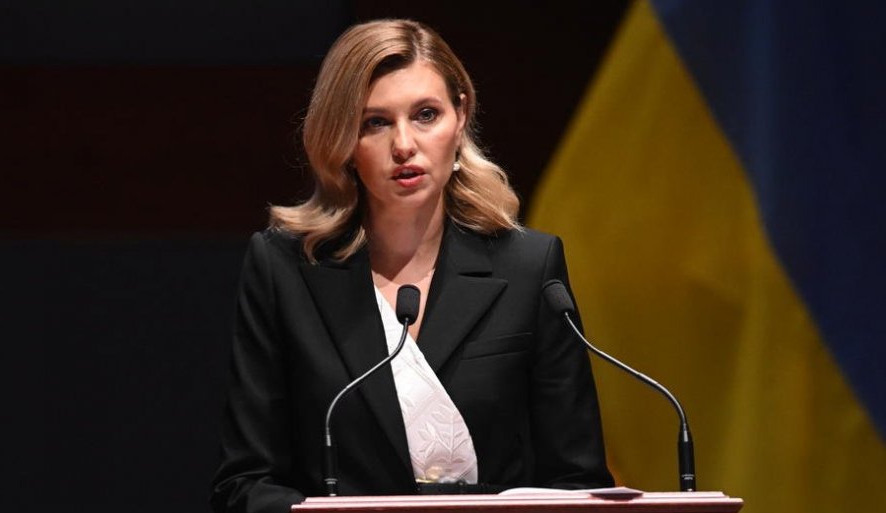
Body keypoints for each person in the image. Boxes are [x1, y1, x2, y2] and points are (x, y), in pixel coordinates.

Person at [211, 18, 613, 513]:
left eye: (426, 115)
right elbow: (246, 484)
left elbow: (577, 481)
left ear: (460, 116)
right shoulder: (285, 270)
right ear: (342, 140)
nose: (404, 145)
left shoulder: (529, 268)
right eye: (375, 123)